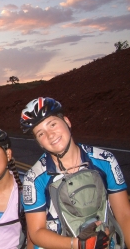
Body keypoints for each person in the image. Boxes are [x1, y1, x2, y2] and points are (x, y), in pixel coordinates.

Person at [19, 97, 130, 249]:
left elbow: (124, 216)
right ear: (38, 142)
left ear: (67, 121)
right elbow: (37, 232)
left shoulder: (105, 160)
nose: (50, 135)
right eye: (40, 134)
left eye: (52, 124)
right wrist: (77, 244)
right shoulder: (34, 178)